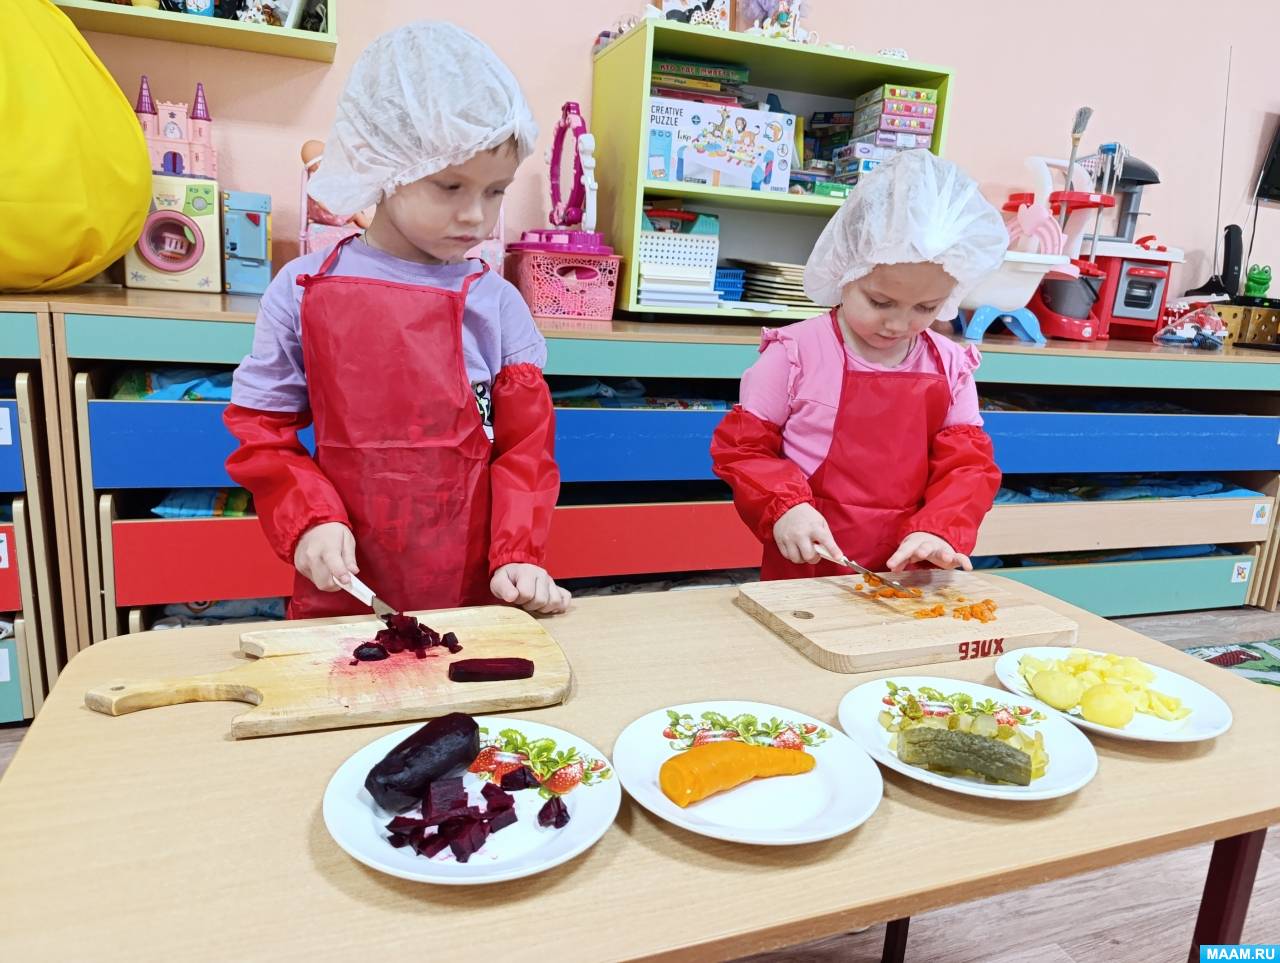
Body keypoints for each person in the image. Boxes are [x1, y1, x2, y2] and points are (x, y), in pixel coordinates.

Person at [224, 22, 570, 619]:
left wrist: (519, 554)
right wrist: (308, 518)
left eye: (495, 191)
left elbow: (525, 450)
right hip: (346, 582)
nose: (476, 215)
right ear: (383, 164)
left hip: (476, 588)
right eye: (450, 185)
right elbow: (263, 433)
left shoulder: (498, 303)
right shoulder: (303, 290)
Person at [711, 149, 1007, 578]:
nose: (899, 324)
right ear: (846, 269)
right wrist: (785, 506)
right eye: (880, 301)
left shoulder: (951, 367)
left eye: (926, 307)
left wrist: (940, 529)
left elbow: (968, 468)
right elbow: (745, 450)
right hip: (810, 560)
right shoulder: (795, 353)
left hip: (908, 563)